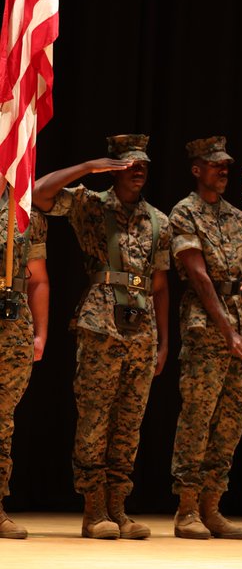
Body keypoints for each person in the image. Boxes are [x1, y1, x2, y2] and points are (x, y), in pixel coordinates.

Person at [32, 135, 170, 540]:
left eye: (143, 164)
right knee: (95, 418)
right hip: (100, 323)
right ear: (113, 168)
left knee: (129, 423)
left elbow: (160, 286)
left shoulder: (159, 220)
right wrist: (87, 168)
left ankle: (118, 508)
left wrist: (162, 342)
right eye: (128, 164)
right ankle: (94, 510)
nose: (137, 170)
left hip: (142, 329)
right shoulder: (90, 204)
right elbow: (39, 193)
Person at [169, 135, 242, 541]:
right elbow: (199, 276)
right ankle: (186, 509)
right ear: (196, 169)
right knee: (198, 418)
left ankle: (211, 506)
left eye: (226, 165)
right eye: (215, 164)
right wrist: (229, 332)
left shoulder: (237, 217)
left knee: (230, 421)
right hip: (207, 326)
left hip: (238, 321)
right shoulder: (184, 213)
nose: (223, 170)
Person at [0, 185, 49, 538]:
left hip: (13, 325)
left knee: (2, 420)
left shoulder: (24, 214)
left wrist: (40, 333)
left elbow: (39, 279)